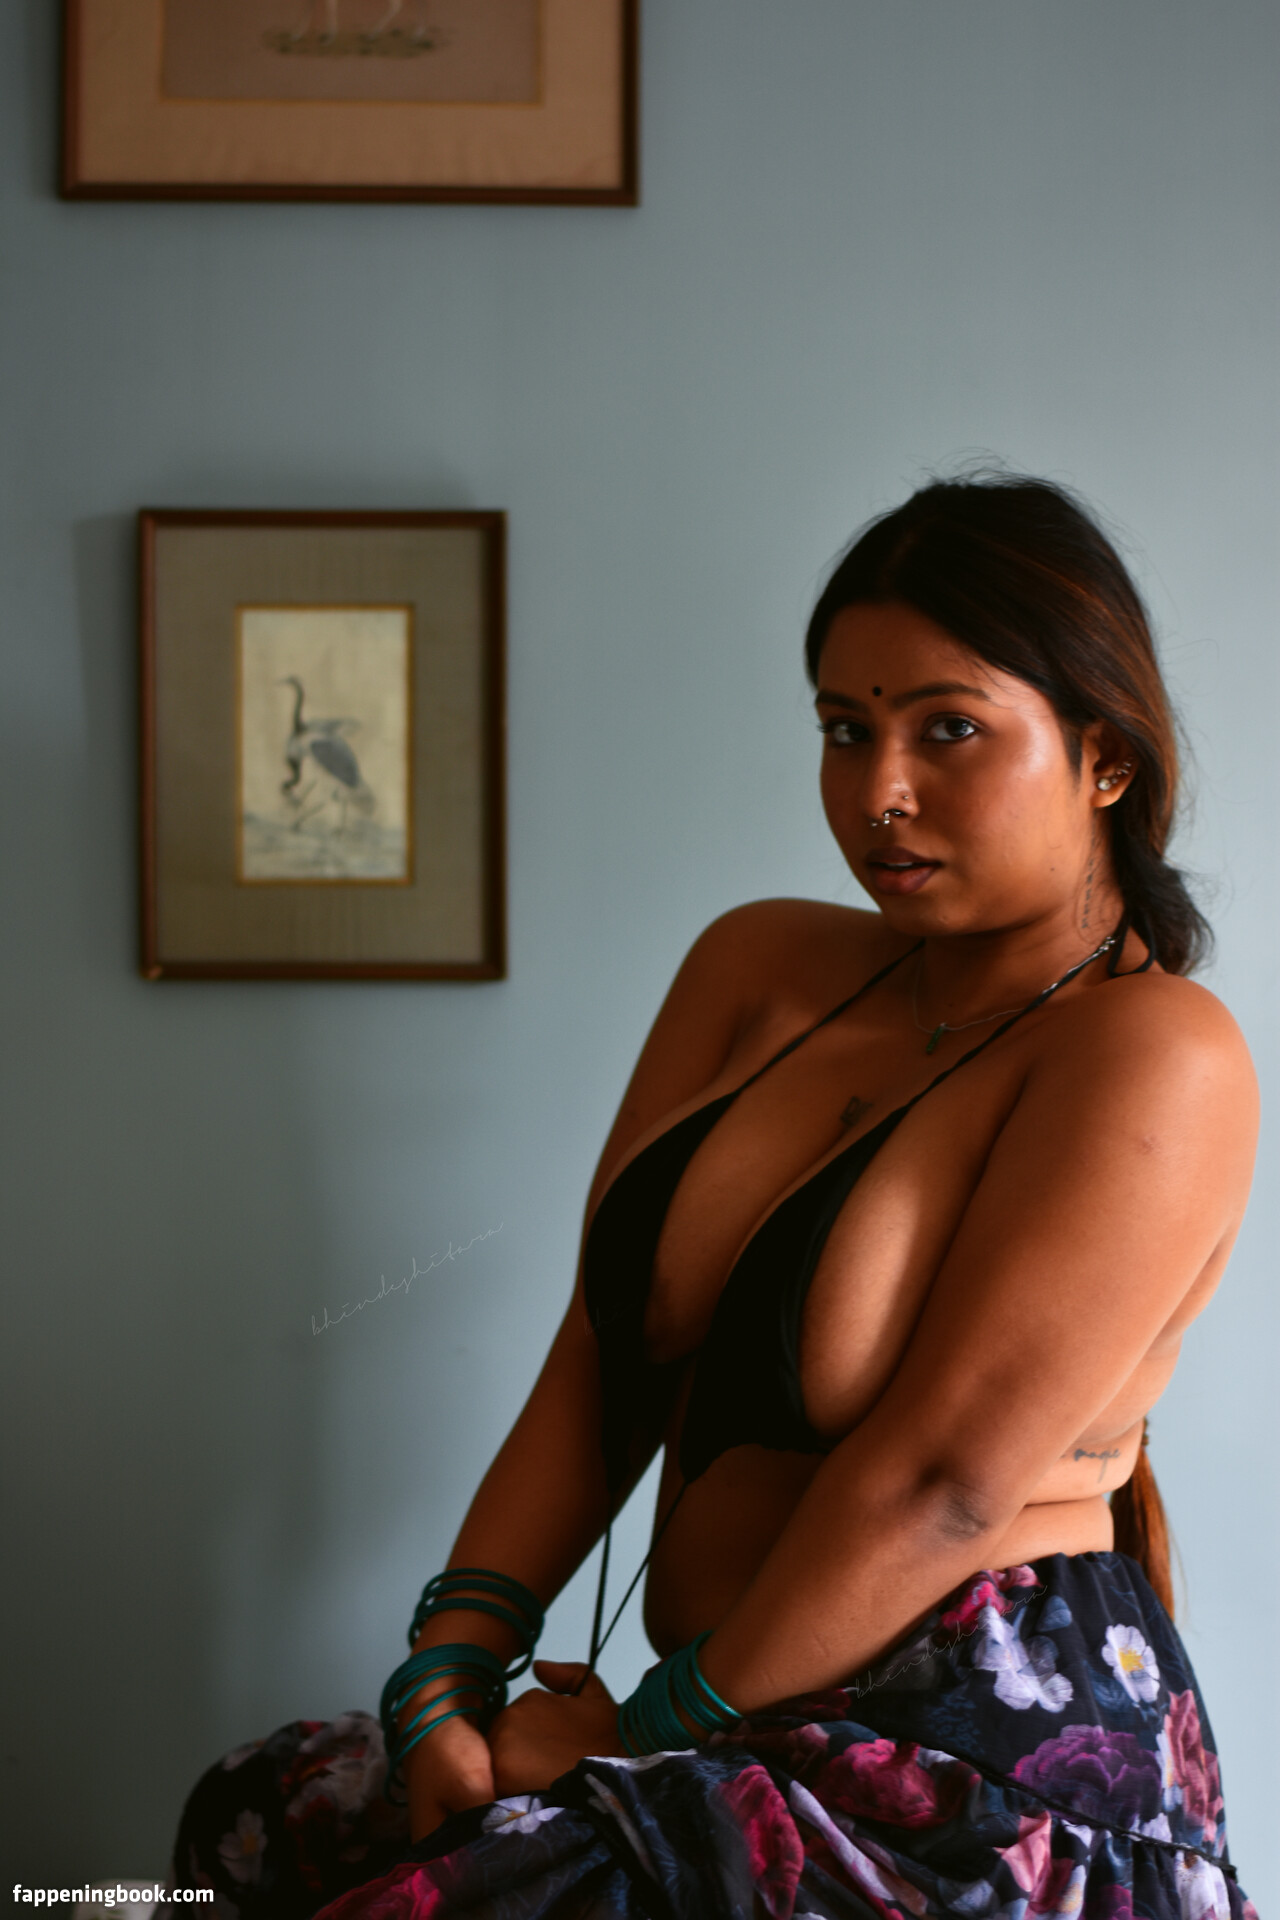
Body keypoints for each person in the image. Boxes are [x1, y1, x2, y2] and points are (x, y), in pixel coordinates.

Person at [172, 475, 1260, 1918]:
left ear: (1104, 755)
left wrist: (632, 1736)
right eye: (844, 729)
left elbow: (942, 1492)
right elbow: (603, 1359)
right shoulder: (758, 968)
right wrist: (449, 1670)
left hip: (966, 1771)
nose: (878, 791)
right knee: (254, 1817)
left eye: (948, 728)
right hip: (712, 1719)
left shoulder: (1155, 1052)